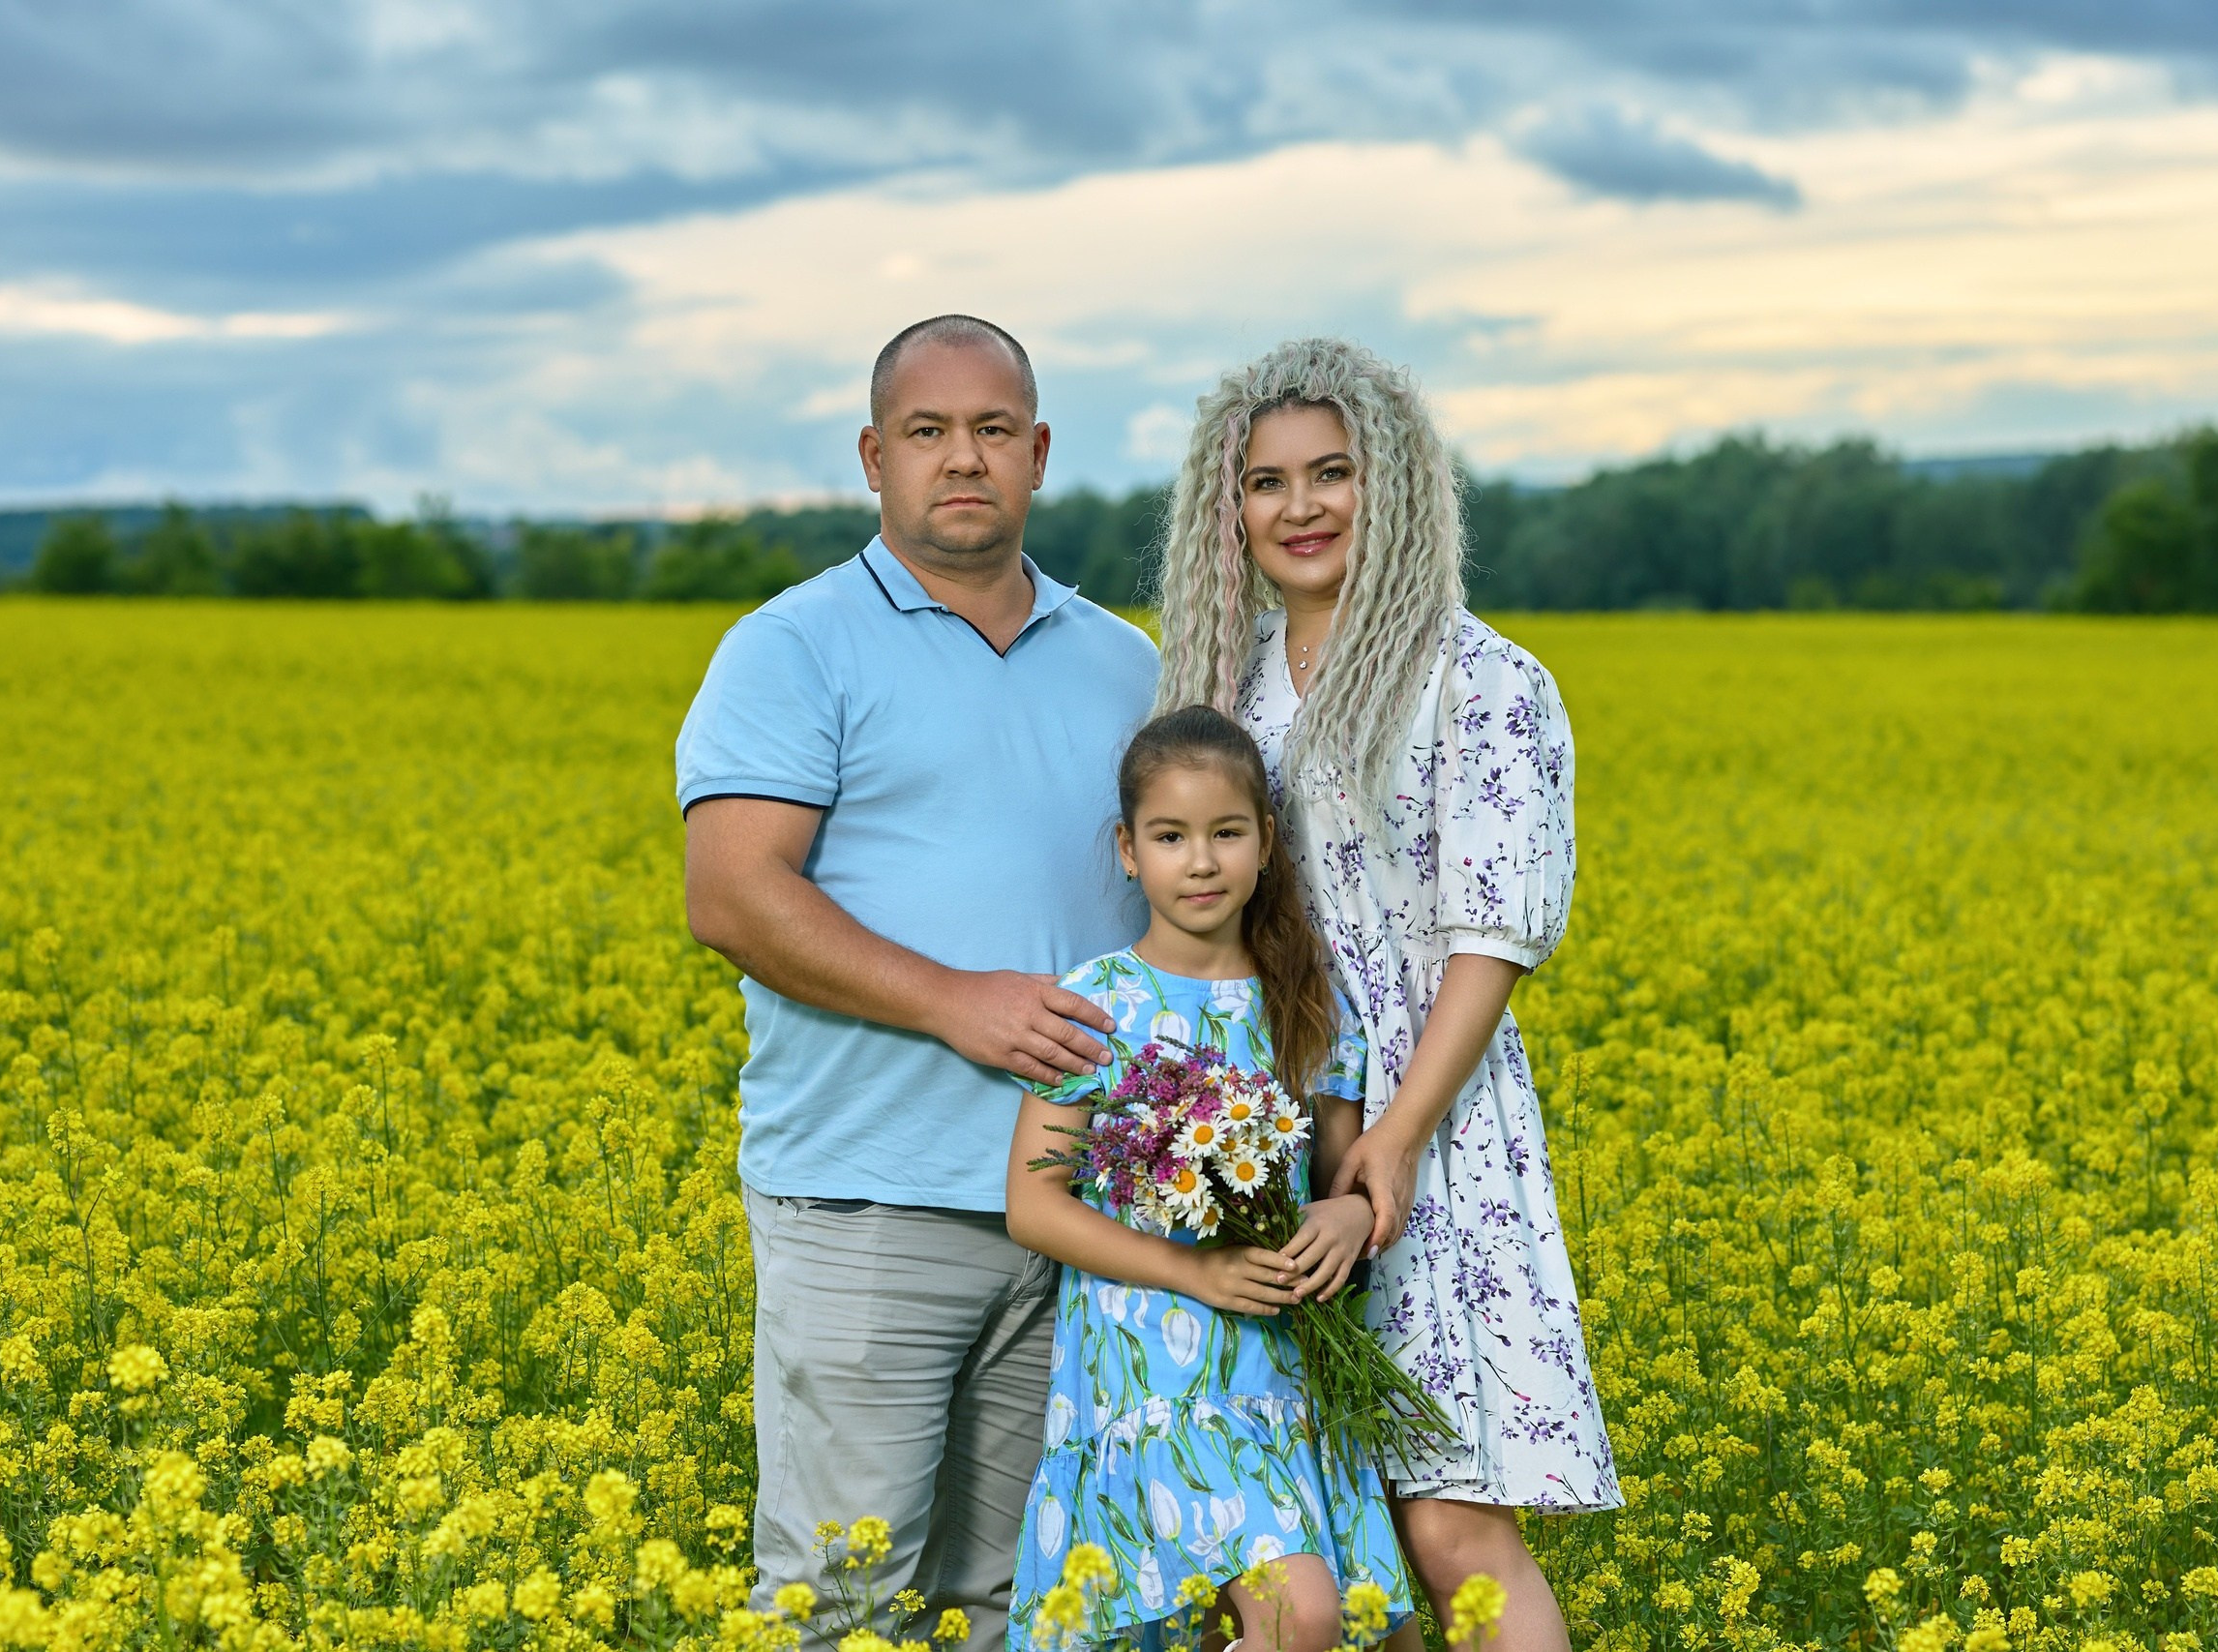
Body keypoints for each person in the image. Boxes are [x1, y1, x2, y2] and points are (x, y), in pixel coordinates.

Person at [676, 315, 1160, 1650]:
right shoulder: (792, 645)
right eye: (931, 432)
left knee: (1015, 1603)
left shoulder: (1128, 664)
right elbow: (733, 893)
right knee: (840, 1600)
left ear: (1041, 453)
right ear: (873, 456)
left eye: (995, 430)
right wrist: (959, 999)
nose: (965, 459)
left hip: (1076, 1209)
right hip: (870, 1197)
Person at [1151, 339, 1622, 1652]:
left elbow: (1493, 935)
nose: (1299, 506)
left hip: (1430, 1130)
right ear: (1227, 509)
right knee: (1297, 1536)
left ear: (1395, 484)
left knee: (1448, 1521)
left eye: (1333, 472)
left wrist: (1391, 1147)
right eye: (1265, 481)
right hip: (1255, 1144)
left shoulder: (1482, 678)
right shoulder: (1221, 688)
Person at [1003, 707, 1414, 1652]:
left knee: (1353, 1631)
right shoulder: (1095, 1005)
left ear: (1265, 844)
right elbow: (1032, 1204)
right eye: (1170, 836)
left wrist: (1350, 1221)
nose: (1200, 861)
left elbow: (1338, 1181)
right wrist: (1195, 1273)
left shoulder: (1307, 1002)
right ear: (1127, 849)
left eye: (1226, 833)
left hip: (1281, 1371)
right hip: (1151, 1370)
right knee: (1299, 1615)